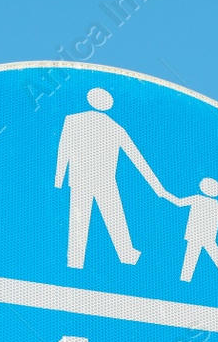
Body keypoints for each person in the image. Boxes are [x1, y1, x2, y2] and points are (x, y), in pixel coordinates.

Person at [54, 88, 175, 269]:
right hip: (103, 180)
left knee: (81, 218)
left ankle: (75, 261)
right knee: (113, 217)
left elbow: (64, 150)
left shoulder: (75, 120)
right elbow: (138, 160)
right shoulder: (115, 127)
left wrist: (59, 179)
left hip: (83, 179)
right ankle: (126, 255)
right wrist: (158, 189)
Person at [175, 177, 218, 282]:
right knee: (209, 253)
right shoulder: (213, 203)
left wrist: (166, 194)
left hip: (198, 234)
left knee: (195, 254)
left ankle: (186, 277)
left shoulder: (198, 199)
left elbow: (179, 202)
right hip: (205, 234)